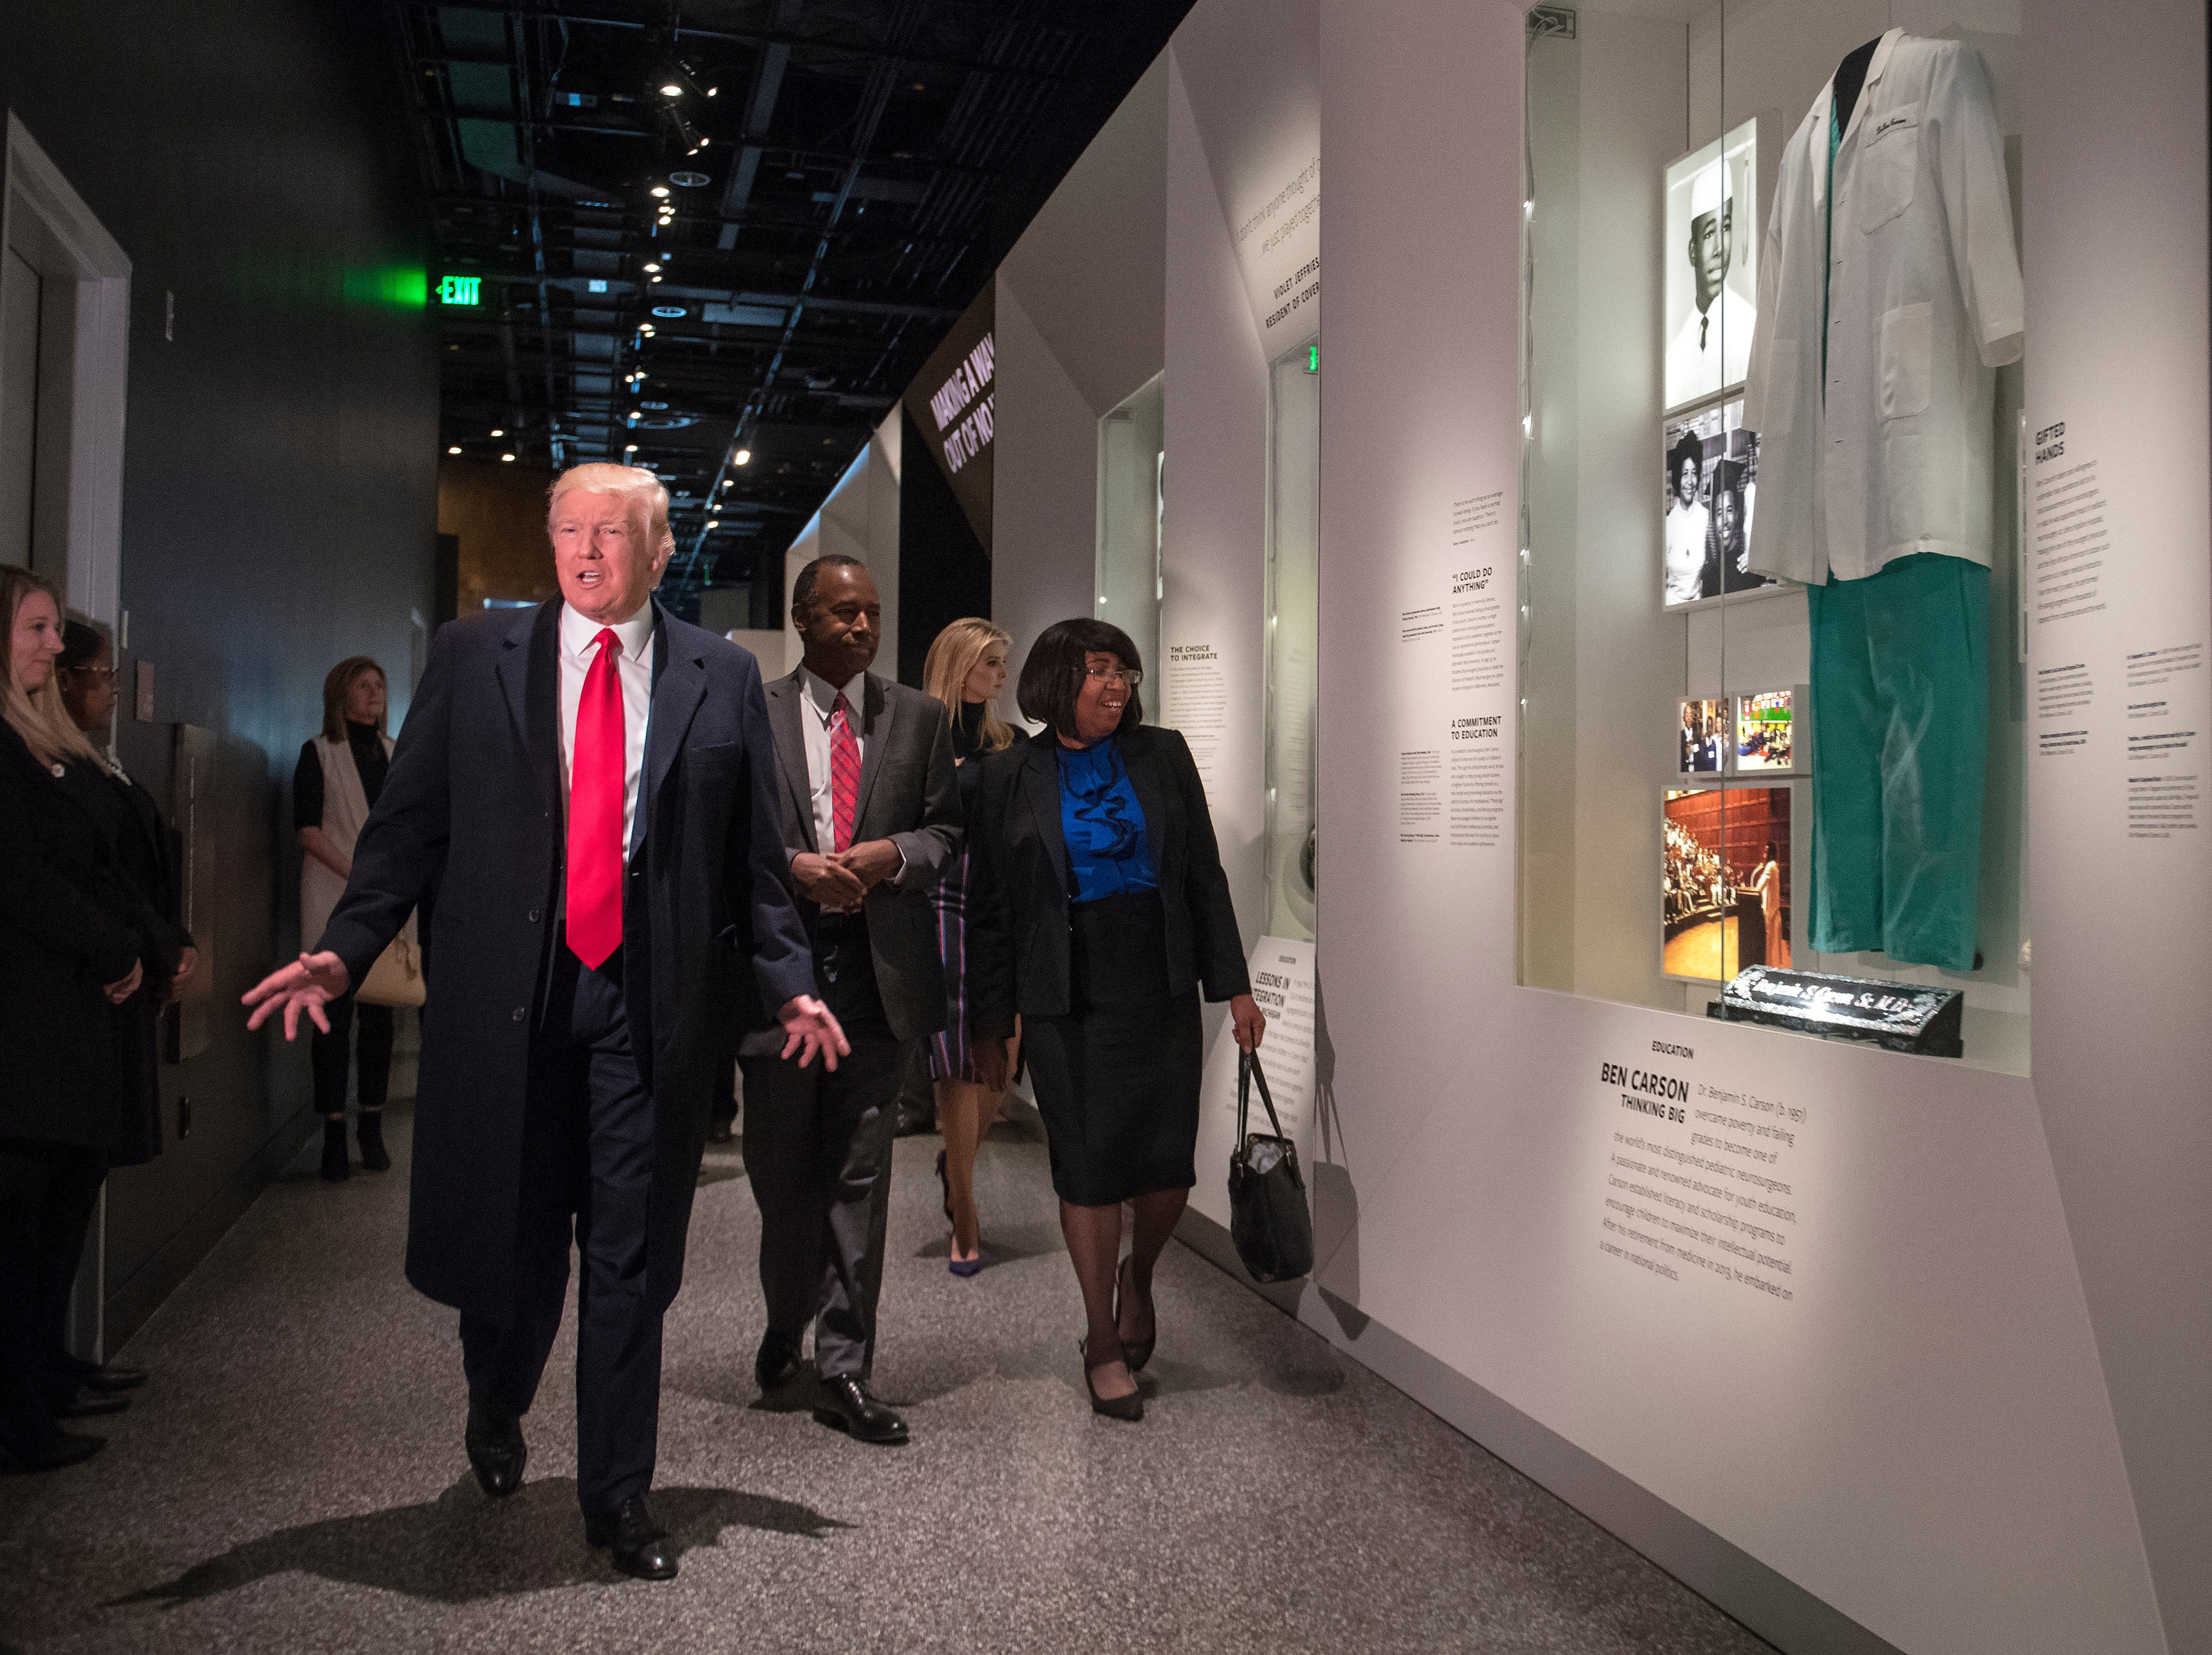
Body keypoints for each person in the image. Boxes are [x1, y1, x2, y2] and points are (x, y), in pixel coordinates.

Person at [243, 465, 841, 1581]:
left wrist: (789, 978)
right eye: (567, 529)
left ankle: (619, 1497)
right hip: (510, 996)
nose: (583, 550)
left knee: (628, 1255)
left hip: (647, 1010)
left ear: (660, 553)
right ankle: (496, 1399)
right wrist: (344, 949)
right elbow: (408, 829)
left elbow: (754, 863)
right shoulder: (478, 658)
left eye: (609, 533)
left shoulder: (717, 674)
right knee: (513, 1250)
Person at [967, 618, 1264, 1422]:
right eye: (1100, 672)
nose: (1117, 687)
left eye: (1125, 674)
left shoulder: (1160, 754)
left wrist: (1235, 987)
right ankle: (1101, 1337)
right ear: (1055, 680)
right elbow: (991, 912)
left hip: (1159, 984)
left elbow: (1203, 874)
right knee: (1090, 1168)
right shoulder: (1006, 777)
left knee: (1167, 1171)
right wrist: (990, 1022)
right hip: (1065, 998)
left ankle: (1137, 1280)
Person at [742, 554, 960, 1446]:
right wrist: (792, 868)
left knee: (857, 1180)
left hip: (878, 979)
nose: (862, 628)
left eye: (871, 613)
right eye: (842, 614)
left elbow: (947, 829)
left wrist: (892, 856)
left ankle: (845, 1367)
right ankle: (782, 1315)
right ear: (802, 619)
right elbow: (722, 832)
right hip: (781, 980)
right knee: (782, 1178)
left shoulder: (919, 717)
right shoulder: (746, 711)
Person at [0, 567, 162, 1472]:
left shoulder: (38, 743)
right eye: (36, 629)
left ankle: (37, 1385)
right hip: (29, 1020)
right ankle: (19, 1410)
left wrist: (132, 944)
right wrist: (114, 949)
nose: (55, 648)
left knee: (49, 1225)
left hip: (64, 1014)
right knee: (21, 1235)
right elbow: (23, 880)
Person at [919, 618, 1019, 1275]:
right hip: (938, 906)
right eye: (991, 665)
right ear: (960, 669)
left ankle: (954, 1163)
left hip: (999, 909)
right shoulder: (919, 740)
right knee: (956, 1063)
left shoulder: (1009, 745)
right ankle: (966, 1207)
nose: (1001, 676)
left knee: (1003, 1064)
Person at [294, 657, 406, 1180]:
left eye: (380, 685)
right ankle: (334, 1134)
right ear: (341, 695)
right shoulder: (319, 754)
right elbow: (308, 831)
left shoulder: (395, 753)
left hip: (384, 906)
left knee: (380, 1018)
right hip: (332, 897)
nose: (374, 693)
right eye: (363, 686)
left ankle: (371, 1127)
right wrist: (359, 872)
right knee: (332, 1023)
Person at [1664, 436, 1709, 605]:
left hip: (1701, 605)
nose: (1690, 482)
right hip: (1671, 606)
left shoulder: (1706, 517)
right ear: (1677, 478)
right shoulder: (1667, 524)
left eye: (1694, 473)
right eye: (1685, 474)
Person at [1747, 842, 1787, 968]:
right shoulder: (1774, 866)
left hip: (1771, 915)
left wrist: (1758, 870)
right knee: (1773, 947)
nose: (1764, 855)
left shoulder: (1770, 867)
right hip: (1774, 913)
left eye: (1766, 852)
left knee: (1771, 949)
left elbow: (1758, 887)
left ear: (1770, 854)